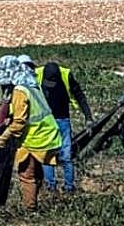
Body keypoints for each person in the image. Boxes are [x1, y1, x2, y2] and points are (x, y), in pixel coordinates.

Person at [0, 55, 62, 210]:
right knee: (36, 172)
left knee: (26, 174)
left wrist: (3, 138)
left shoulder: (20, 91)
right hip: (48, 133)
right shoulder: (31, 85)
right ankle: (34, 203)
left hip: (36, 136)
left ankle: (30, 210)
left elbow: (19, 122)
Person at [36, 59, 94, 193]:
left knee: (66, 156)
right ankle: (51, 187)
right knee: (47, 155)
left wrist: (88, 117)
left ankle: (69, 187)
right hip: (45, 121)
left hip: (63, 120)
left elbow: (79, 96)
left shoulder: (66, 75)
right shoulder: (37, 74)